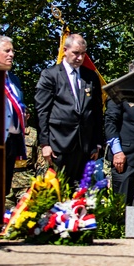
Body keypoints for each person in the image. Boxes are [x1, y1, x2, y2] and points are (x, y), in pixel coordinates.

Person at [34, 33, 104, 183]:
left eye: (83, 54)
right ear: (65, 50)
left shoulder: (91, 77)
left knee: (81, 193)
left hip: (85, 146)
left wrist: (97, 142)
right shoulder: (50, 75)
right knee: (57, 190)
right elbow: (42, 111)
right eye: (76, 53)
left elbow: (97, 111)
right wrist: (45, 143)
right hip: (59, 144)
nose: (79, 58)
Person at [0, 36, 29, 205]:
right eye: (7, 51)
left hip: (12, 140)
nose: (11, 54)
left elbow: (18, 105)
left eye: (12, 51)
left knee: (4, 188)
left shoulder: (14, 80)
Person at [104, 59, 134, 206]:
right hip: (125, 159)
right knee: (122, 206)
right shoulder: (120, 93)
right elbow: (110, 123)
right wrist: (117, 152)